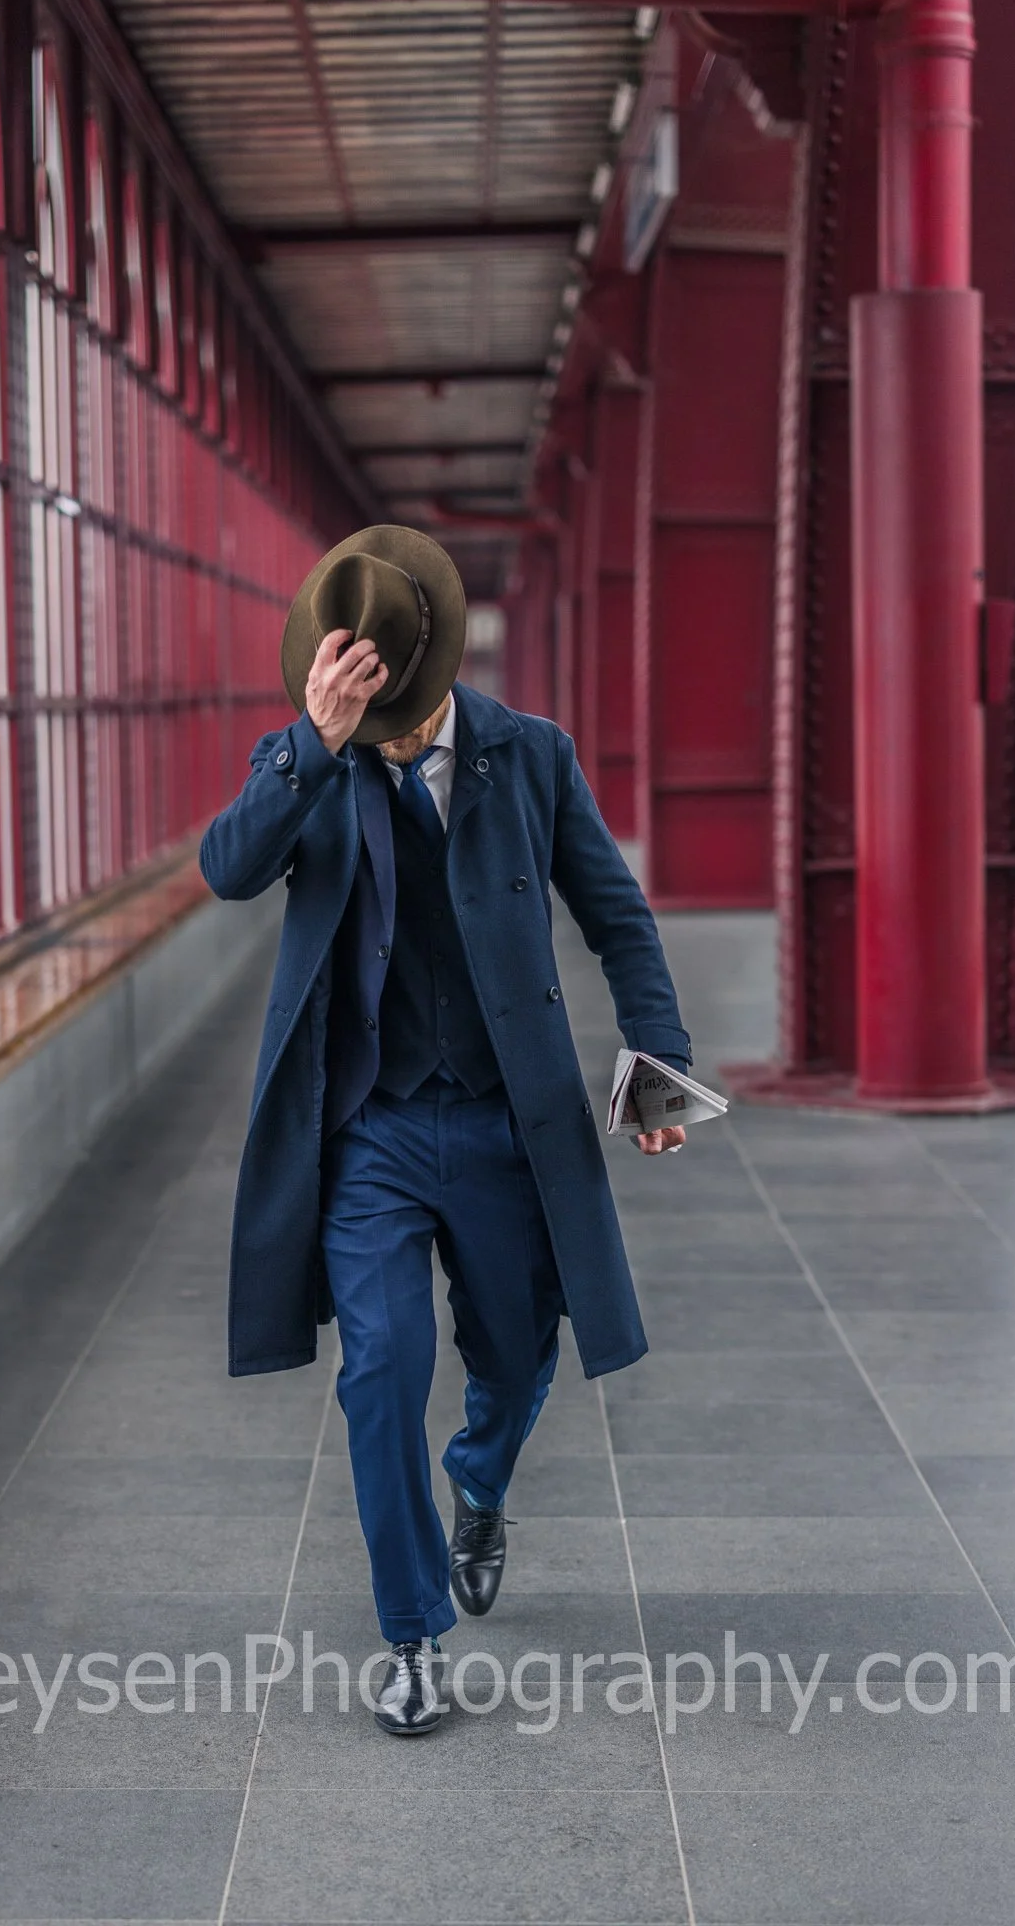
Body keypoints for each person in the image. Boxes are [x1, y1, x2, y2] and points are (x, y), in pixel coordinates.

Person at [200, 526, 690, 1735]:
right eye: (360, 711)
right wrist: (311, 746)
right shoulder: (308, 759)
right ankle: (410, 1635)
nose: (384, 734)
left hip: (503, 1121)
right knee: (379, 1368)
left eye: (395, 714)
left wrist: (655, 1075)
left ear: (435, 674)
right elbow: (226, 868)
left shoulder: (530, 755)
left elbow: (616, 918)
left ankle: (478, 1475)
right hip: (366, 1128)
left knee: (517, 1358)